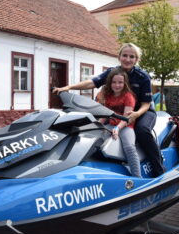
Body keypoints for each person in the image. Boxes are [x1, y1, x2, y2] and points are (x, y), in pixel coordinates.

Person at [53, 42, 165, 176]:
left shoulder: (143, 76)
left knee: (142, 131)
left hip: (142, 111)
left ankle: (158, 169)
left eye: (132, 57)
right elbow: (92, 82)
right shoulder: (113, 72)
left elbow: (146, 104)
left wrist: (136, 114)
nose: (128, 59)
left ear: (136, 60)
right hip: (119, 113)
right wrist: (68, 88)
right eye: (125, 55)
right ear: (119, 57)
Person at [96, 68, 141, 177]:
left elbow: (126, 118)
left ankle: (137, 176)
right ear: (110, 83)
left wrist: (117, 128)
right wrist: (97, 125)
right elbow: (104, 115)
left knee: (129, 147)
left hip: (125, 126)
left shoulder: (128, 96)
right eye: (114, 82)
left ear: (125, 83)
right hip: (110, 125)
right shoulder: (107, 95)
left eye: (120, 82)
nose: (117, 85)